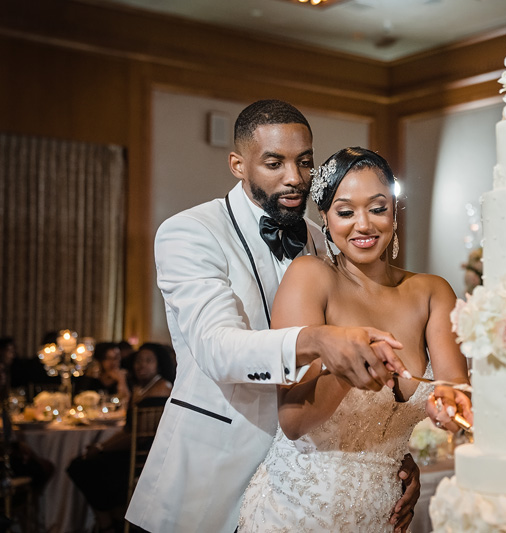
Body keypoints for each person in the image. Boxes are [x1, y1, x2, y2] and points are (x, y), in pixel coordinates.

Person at [126, 100, 418, 533]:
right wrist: (316, 339)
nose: (294, 177)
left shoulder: (323, 240)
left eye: (304, 162)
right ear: (237, 164)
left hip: (302, 487)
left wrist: (391, 457)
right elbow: (216, 348)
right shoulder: (189, 231)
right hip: (213, 475)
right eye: (274, 162)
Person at [238, 147, 472, 532]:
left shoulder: (432, 292)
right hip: (296, 511)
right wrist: (351, 370)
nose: (363, 225)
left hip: (384, 515)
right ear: (326, 221)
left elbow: (450, 389)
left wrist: (450, 407)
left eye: (377, 208)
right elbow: (294, 421)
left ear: (394, 213)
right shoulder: (310, 277)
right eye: (346, 212)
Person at [68, 347, 175, 533]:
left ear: (159, 364)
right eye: (138, 361)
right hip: (133, 451)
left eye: (148, 360)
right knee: (83, 464)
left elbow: (135, 435)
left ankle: (108, 523)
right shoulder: (142, 388)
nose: (141, 365)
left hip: (145, 459)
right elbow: (128, 430)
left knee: (82, 467)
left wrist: (101, 447)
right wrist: (101, 447)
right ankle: (112, 520)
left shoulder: (161, 389)